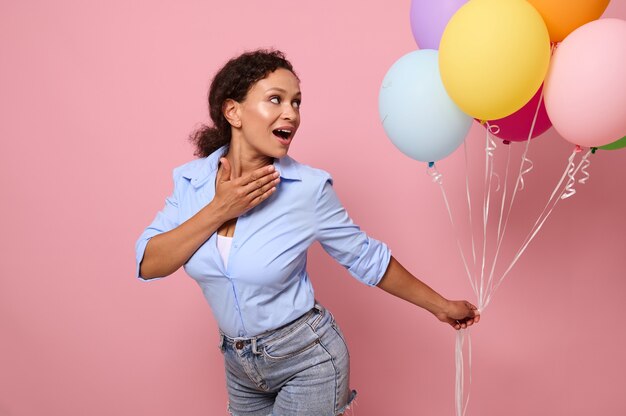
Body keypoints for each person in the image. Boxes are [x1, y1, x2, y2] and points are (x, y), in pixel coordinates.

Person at [135, 49, 479, 416]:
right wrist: (221, 208)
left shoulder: (307, 189)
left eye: (296, 102)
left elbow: (368, 260)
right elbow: (150, 263)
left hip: (308, 360)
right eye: (275, 100)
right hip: (238, 367)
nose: (292, 114)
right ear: (233, 111)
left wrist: (442, 306)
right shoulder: (191, 182)